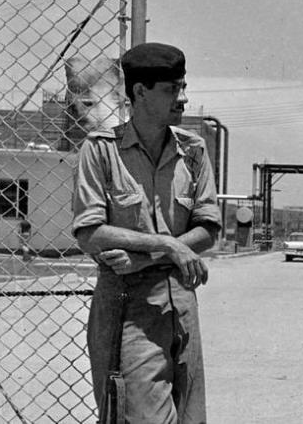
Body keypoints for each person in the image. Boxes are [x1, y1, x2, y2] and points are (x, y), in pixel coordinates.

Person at [72, 42, 221, 424]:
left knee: (190, 417)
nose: (183, 99)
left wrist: (149, 254)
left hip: (182, 303)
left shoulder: (194, 151)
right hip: (128, 306)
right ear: (140, 92)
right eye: (172, 89)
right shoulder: (101, 151)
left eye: (183, 87)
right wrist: (167, 244)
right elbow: (89, 232)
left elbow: (208, 228)